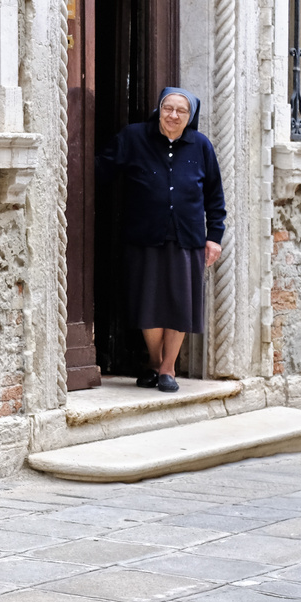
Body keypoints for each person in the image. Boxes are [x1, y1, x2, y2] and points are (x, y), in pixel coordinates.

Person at [98, 87, 226, 393]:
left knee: (181, 305)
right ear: (159, 109)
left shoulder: (201, 146)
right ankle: (154, 361)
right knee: (149, 304)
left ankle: (168, 368)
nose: (173, 115)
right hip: (145, 236)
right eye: (168, 108)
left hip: (188, 237)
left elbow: (214, 197)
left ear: (190, 116)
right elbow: (101, 168)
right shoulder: (134, 137)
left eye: (181, 111)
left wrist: (215, 237)